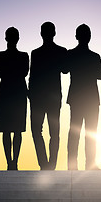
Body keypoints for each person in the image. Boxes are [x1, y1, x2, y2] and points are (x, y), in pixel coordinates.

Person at [66, 24, 101, 170]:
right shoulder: (94, 57)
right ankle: (89, 165)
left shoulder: (71, 54)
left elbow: (64, 69)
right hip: (90, 99)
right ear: (89, 37)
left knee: (75, 132)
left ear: (77, 37)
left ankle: (73, 166)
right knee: (90, 133)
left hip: (78, 98)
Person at [29, 21, 67, 170]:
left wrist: (31, 94)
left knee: (38, 131)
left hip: (39, 97)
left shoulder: (36, 53)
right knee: (54, 132)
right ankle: (50, 165)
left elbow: (32, 76)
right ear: (54, 33)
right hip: (52, 97)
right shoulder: (60, 51)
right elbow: (65, 70)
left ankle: (45, 164)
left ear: (41, 34)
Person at [0, 27, 29, 170]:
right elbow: (21, 73)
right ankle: (12, 161)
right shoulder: (21, 56)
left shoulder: (4, 56)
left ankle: (12, 161)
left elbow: (10, 73)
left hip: (10, 94)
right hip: (15, 94)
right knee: (10, 130)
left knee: (13, 130)